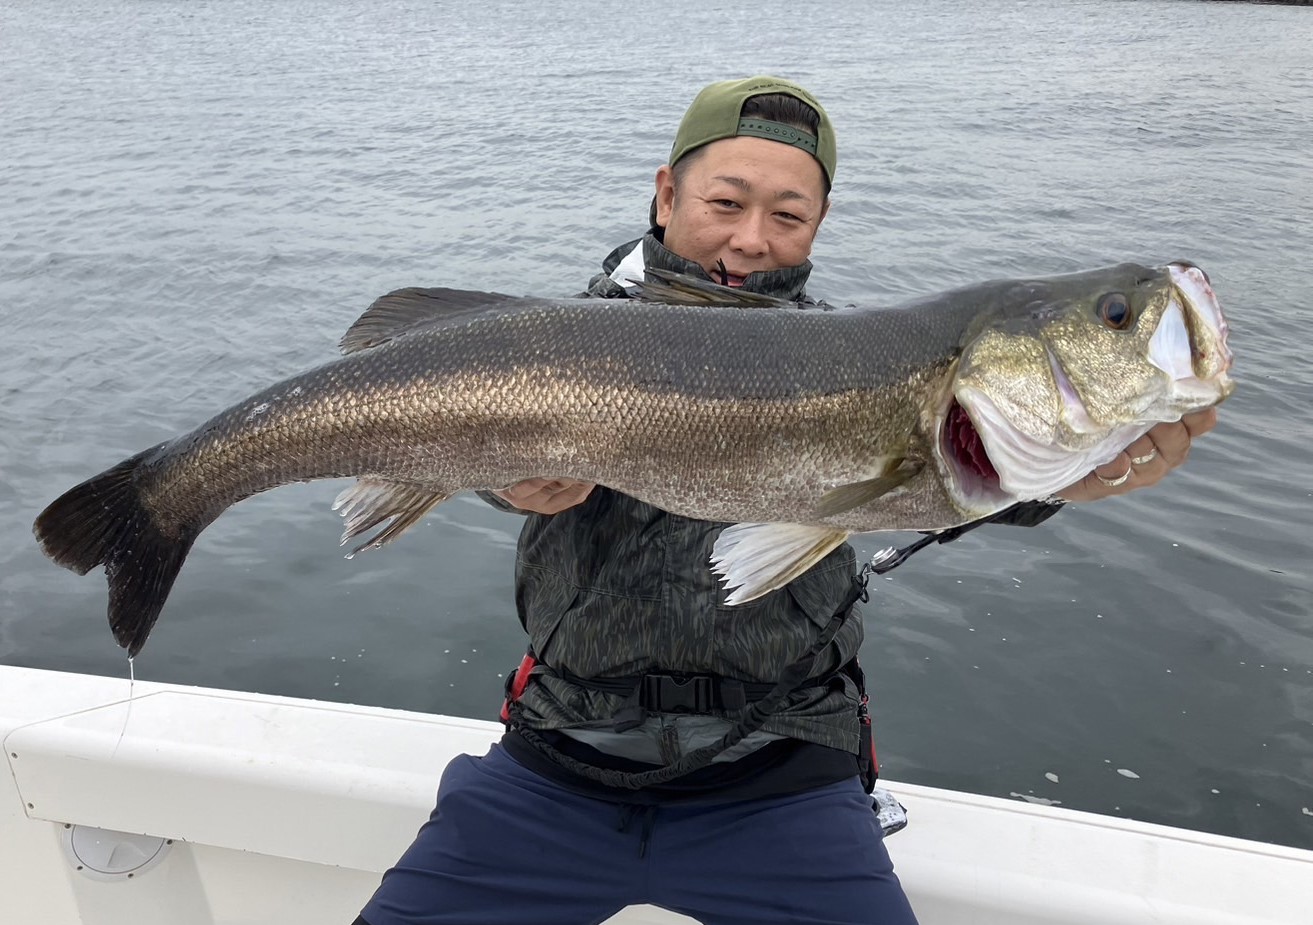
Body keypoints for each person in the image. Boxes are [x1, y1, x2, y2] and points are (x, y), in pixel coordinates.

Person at [354, 76, 1218, 925]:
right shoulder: (554, 339)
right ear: (665, 194)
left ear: (818, 224)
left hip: (782, 771)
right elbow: (464, 440)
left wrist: (1085, 468)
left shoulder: (859, 351)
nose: (750, 241)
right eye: (724, 204)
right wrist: (507, 485)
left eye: (787, 216)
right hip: (556, 759)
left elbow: (980, 465)